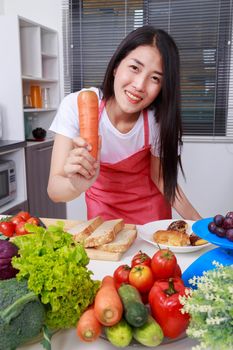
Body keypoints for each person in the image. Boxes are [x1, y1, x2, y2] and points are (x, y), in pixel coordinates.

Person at [47, 25, 201, 225]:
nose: (139, 85)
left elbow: (162, 179)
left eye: (155, 78)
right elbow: (55, 190)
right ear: (116, 66)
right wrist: (74, 185)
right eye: (135, 68)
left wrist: (202, 225)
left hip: (151, 217)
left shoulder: (157, 120)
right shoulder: (76, 105)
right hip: (103, 217)